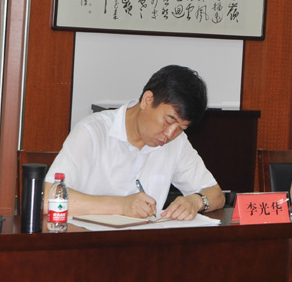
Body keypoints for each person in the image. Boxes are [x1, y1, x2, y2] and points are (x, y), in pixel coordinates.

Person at [44, 65, 225, 220]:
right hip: (89, 243)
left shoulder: (177, 143)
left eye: (181, 128)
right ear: (147, 100)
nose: (170, 134)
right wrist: (121, 206)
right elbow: (47, 199)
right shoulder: (92, 131)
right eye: (169, 120)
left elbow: (216, 194)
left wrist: (195, 201)